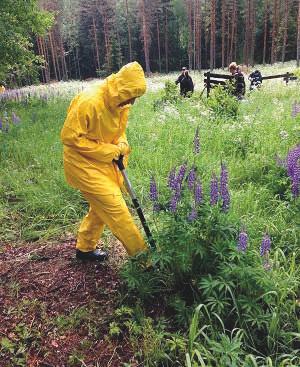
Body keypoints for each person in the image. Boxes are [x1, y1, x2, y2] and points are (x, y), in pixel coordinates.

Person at [61, 61, 148, 261]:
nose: (133, 102)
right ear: (122, 88)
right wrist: (108, 151)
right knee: (117, 210)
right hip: (82, 165)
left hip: (104, 164)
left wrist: (122, 145)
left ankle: (84, 249)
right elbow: (69, 137)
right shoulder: (89, 101)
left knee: (100, 208)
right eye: (131, 97)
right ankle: (146, 262)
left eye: (135, 98)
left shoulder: (120, 101)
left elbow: (119, 131)